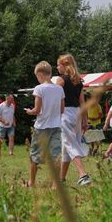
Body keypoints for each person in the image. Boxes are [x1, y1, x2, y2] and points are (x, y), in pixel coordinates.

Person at [24, 61, 64, 188]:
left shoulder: (39, 88)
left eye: (37, 77)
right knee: (56, 155)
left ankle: (31, 183)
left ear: (40, 75)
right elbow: (62, 109)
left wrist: (29, 111)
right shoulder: (59, 89)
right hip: (56, 126)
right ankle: (55, 185)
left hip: (41, 127)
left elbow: (37, 110)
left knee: (35, 155)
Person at [55, 54, 91, 186]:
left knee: (70, 145)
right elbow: (82, 102)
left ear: (64, 66)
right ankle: (61, 179)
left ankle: (83, 175)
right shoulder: (78, 81)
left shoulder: (60, 80)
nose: (57, 67)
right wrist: (85, 120)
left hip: (65, 114)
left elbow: (57, 100)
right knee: (66, 149)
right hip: (77, 114)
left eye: (58, 65)